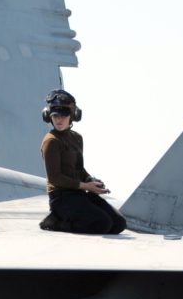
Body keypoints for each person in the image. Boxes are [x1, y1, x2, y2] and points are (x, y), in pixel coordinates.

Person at [39, 89, 126, 235]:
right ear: (49, 116)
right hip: (61, 198)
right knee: (102, 224)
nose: (59, 120)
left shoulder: (77, 138)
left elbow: (79, 169)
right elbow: (55, 178)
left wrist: (91, 181)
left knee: (119, 224)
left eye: (63, 115)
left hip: (78, 193)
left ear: (72, 116)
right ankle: (55, 222)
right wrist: (86, 186)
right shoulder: (51, 141)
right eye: (55, 116)